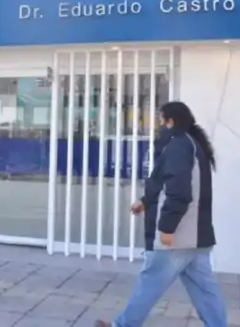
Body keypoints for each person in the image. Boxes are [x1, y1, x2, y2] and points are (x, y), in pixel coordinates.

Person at [96, 101, 227, 327]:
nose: (157, 125)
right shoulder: (192, 144)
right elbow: (169, 183)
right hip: (196, 236)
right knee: (205, 291)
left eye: (160, 120)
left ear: (170, 121)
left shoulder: (180, 146)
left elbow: (179, 192)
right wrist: (146, 201)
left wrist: (167, 228)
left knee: (149, 284)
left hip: (178, 236)